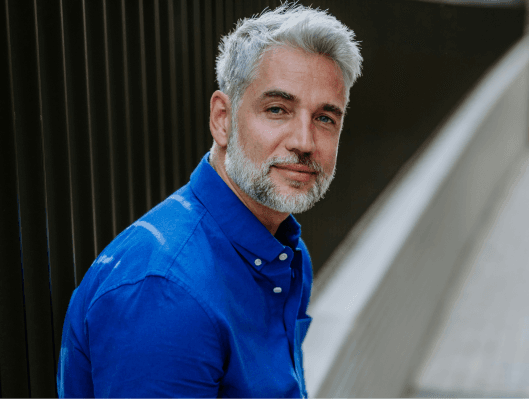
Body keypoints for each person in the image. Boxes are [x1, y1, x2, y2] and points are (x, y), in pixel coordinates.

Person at [56, 3, 362, 398]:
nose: (304, 142)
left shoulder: (281, 250)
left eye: (325, 118)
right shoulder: (165, 294)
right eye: (277, 109)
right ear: (223, 118)